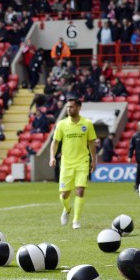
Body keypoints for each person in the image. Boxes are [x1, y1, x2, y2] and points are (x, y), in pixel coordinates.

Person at [50, 98, 97, 229]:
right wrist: (52, 157)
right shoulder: (61, 124)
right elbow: (55, 142)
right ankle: (67, 209)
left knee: (80, 190)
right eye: (67, 107)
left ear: (78, 108)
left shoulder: (87, 123)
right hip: (66, 163)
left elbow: (92, 143)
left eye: (71, 107)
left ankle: (76, 220)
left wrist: (94, 160)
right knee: (64, 194)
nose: (68, 109)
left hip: (82, 161)